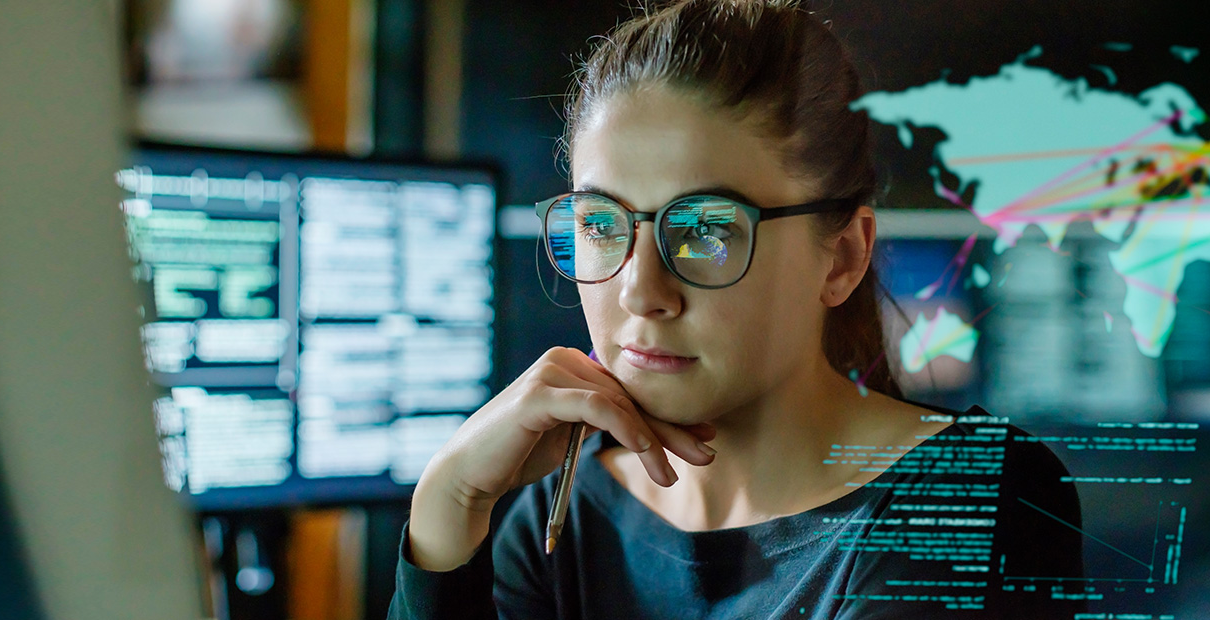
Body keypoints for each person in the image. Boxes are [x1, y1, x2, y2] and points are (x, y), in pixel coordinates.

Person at [390, 1, 1084, 617]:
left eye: (707, 230)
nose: (639, 291)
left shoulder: (977, 505)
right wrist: (448, 503)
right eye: (601, 225)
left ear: (840, 257)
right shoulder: (561, 517)